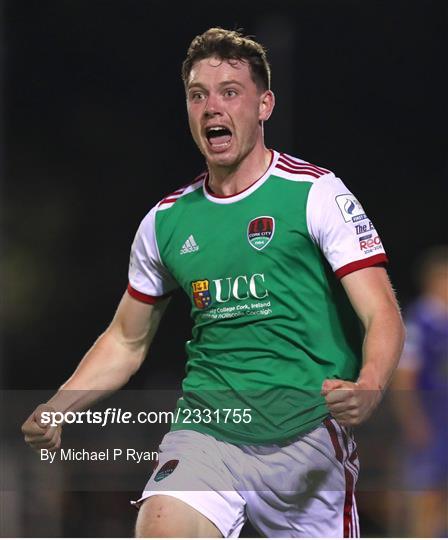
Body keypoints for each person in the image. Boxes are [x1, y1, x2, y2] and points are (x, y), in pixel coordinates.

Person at [22, 28, 405, 538]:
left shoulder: (315, 194)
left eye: (230, 92)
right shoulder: (165, 222)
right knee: (160, 527)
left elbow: (382, 314)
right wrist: (57, 407)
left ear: (264, 105)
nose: (211, 107)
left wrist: (370, 386)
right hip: (208, 432)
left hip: (307, 437)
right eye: (198, 95)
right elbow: (126, 339)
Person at [391, 246, 447, 538]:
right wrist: (413, 420)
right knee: (425, 494)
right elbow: (404, 377)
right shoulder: (419, 321)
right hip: (431, 422)